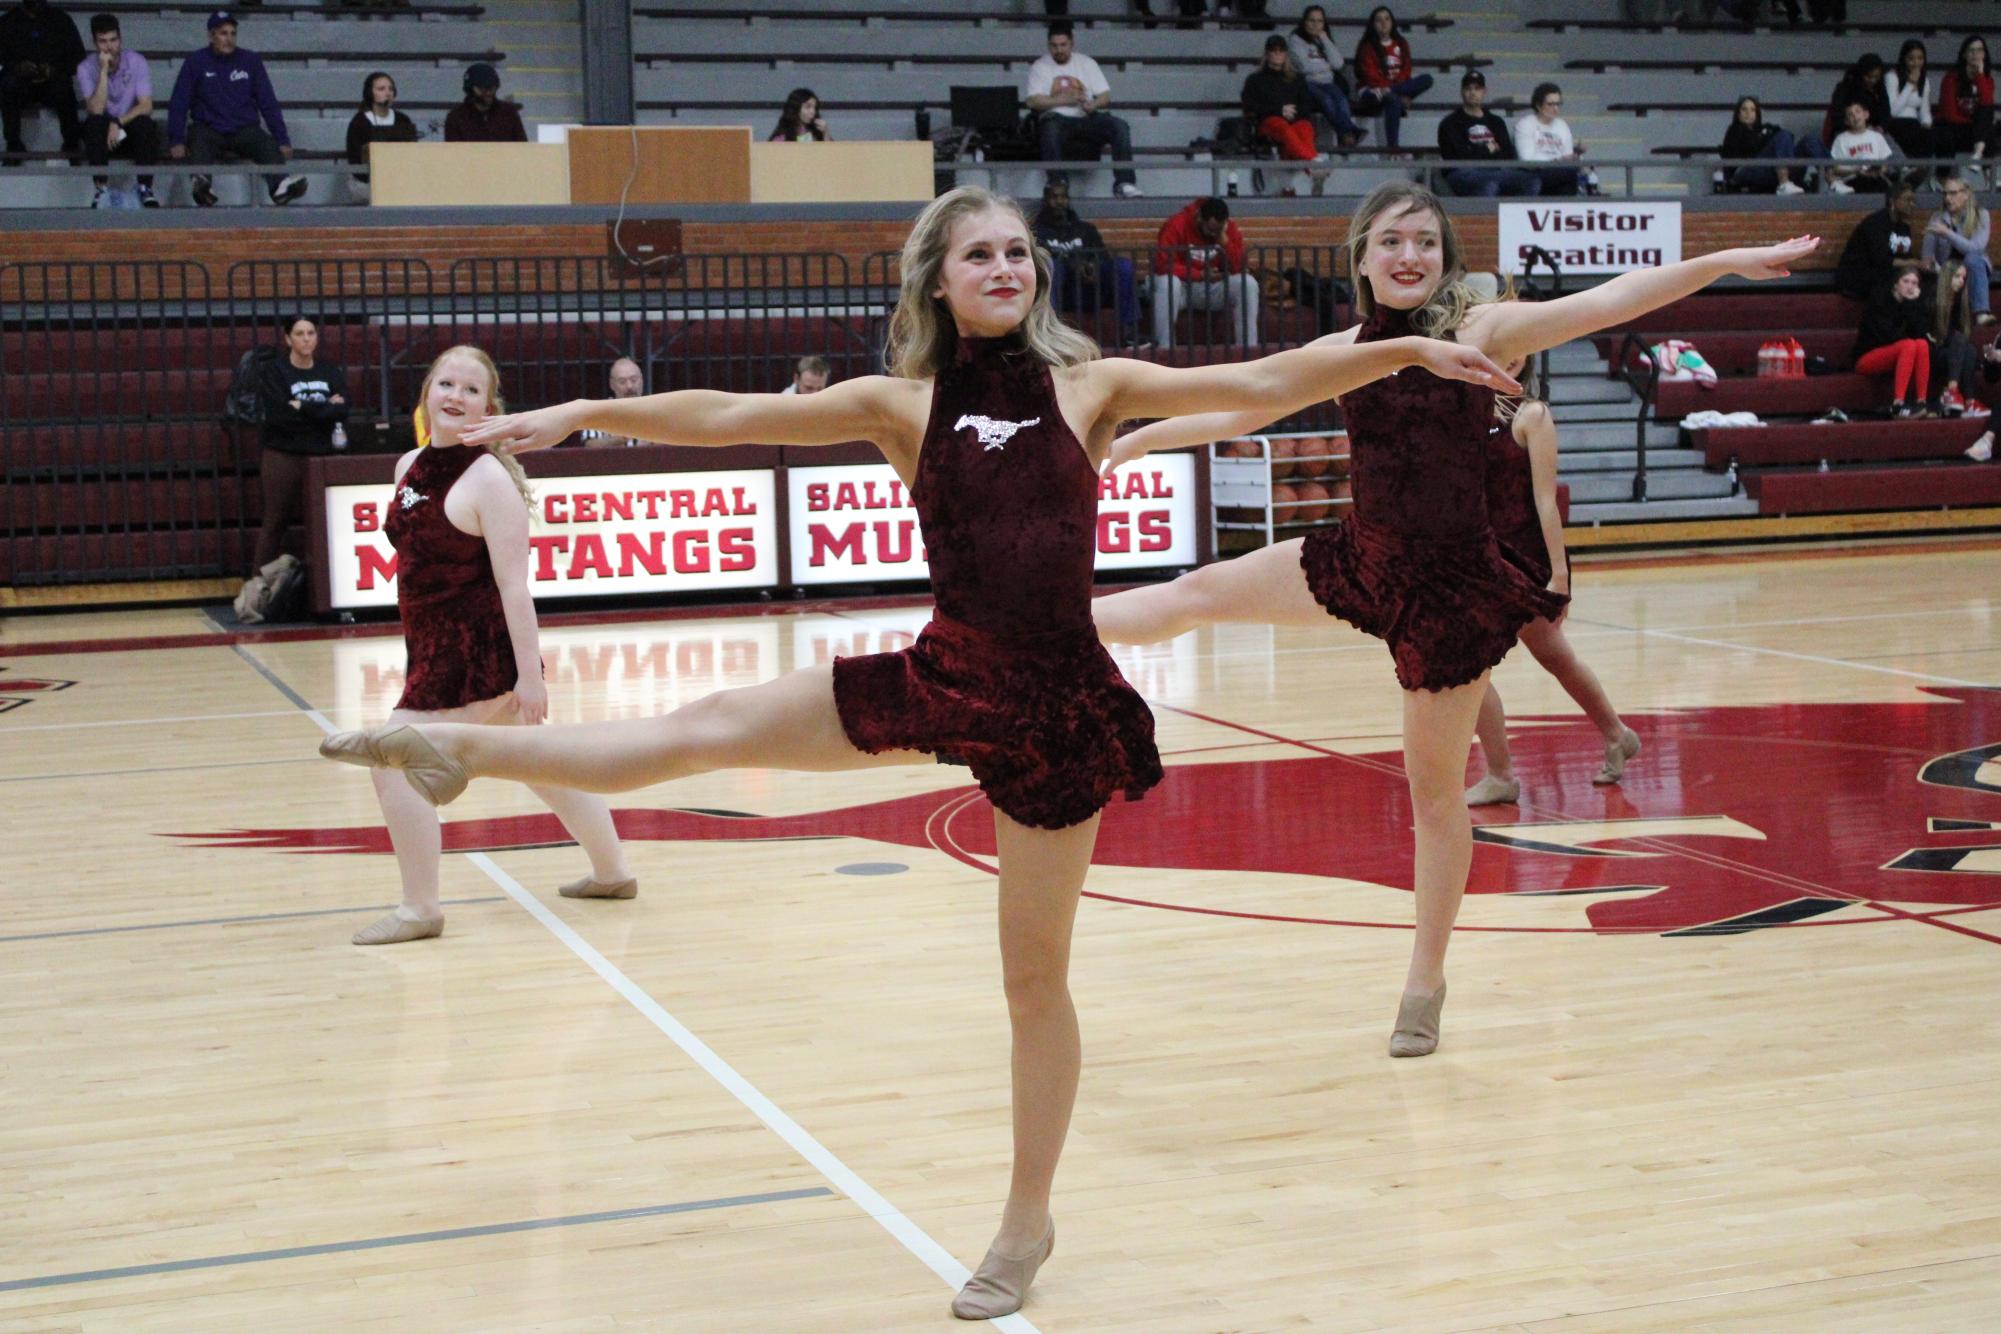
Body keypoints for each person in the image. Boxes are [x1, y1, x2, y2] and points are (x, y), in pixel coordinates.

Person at [319, 184, 1516, 1320]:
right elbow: (733, 420)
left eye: (1016, 252)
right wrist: (588, 411)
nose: (1005, 267)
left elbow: (1263, 372)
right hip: (946, 671)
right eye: (978, 254)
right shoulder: (907, 404)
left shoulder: (1089, 387)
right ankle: (456, 746)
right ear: (939, 283)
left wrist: (1404, 349)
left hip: (1052, 707)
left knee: (1031, 981)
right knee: (703, 727)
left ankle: (1026, 1217)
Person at [1089, 179, 1815, 1061]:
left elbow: (1613, 298)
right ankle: (1043, 631)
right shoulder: (1341, 347)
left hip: (1451, 593)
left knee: (1432, 798)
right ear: (1361, 256)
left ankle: (1423, 981)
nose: (1408, 256)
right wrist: (1135, 440)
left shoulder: (1483, 331)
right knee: (1191, 595)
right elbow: (1248, 404)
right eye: (1391, 241)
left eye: (1425, 243)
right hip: (1361, 559)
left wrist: (1726, 261)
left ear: (1444, 260)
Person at [346, 346, 638, 946]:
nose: (455, 396)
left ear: (489, 406)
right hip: (429, 648)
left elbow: (515, 586)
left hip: (475, 656)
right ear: (428, 391)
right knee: (544, 765)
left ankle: (419, 910)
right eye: (446, 383)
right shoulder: (408, 464)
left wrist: (529, 676)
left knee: (394, 764)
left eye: (471, 390)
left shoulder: (488, 478)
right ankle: (613, 873)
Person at [1464, 381, 1640, 806]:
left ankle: (1502, 774)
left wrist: (1559, 575)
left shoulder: (1532, 416)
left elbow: (1546, 501)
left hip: (1523, 561)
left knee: (1478, 665)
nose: (1508, 356)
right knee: (1523, 659)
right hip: (1479, 559)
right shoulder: (1464, 412)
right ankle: (1616, 734)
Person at [167, 11, 304, 207]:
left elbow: (268, 102)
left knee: (265, 143)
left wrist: (282, 139)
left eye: (233, 33)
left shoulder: (251, 61)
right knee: (198, 140)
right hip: (209, 129)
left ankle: (280, 187)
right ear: (211, 35)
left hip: (244, 129)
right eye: (223, 33)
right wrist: (176, 140)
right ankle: (202, 186)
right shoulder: (195, 61)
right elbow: (179, 102)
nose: (229, 39)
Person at [251, 315, 350, 573]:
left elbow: (343, 411)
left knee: (325, 520)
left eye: (310, 333)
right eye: (299, 333)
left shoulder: (329, 371)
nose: (306, 338)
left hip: (321, 455)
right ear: (287, 339)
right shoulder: (275, 372)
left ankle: (329, 581)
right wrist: (325, 408)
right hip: (283, 455)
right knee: (275, 521)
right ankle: (259, 587)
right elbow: (280, 417)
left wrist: (303, 406)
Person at [1024, 22, 1140, 197]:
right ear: (1049, 45)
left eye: (1063, 45)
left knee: (1119, 126)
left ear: (1071, 44)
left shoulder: (1086, 63)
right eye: (1054, 46)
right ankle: (1058, 183)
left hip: (1086, 116)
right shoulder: (1040, 66)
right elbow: (1033, 101)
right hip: (1057, 119)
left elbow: (1105, 95)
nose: (1059, 50)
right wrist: (1063, 100)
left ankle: (1124, 182)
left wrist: (1093, 104)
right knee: (1049, 128)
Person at [1033, 178, 1141, 340]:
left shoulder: (1086, 229)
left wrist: (1092, 267)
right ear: (1045, 201)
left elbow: (1103, 257)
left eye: (1063, 197)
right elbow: (1038, 264)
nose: (1059, 201)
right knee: (1051, 265)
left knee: (1122, 266)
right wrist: (1072, 265)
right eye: (1054, 197)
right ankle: (1049, 333)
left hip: (1091, 289)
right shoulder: (1037, 233)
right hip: (1062, 293)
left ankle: (1130, 332)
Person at [1151, 195, 1259, 350]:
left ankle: (1248, 350)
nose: (1212, 234)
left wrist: (1225, 241)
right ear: (1199, 217)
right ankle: (1165, 349)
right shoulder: (1177, 224)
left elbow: (1239, 268)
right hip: (1182, 288)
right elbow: (1163, 264)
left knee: (1248, 283)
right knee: (1168, 283)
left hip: (1211, 288)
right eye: (1210, 229)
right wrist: (1200, 275)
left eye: (1218, 230)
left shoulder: (1228, 230)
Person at [74, 14, 158, 208]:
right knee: (94, 123)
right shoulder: (85, 68)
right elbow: (96, 109)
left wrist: (118, 122)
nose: (109, 47)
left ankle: (145, 188)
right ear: (95, 43)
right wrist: (103, 71)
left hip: (125, 130)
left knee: (145, 123)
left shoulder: (137, 61)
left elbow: (146, 105)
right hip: (102, 135)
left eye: (113, 40)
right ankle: (101, 189)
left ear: (120, 39)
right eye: (103, 41)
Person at [1241, 35, 1328, 197]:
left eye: (1280, 51)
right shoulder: (1255, 80)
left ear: (1286, 54)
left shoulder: (1297, 79)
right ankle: (1314, 163)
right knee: (1282, 127)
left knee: (1305, 128)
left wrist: (1291, 114)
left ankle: (1313, 168)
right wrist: (1279, 110)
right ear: (1267, 54)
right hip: (1268, 122)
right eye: (1273, 51)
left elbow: (1305, 105)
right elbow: (1250, 106)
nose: (1277, 54)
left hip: (1293, 122)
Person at [0, 0, 82, 164]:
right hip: (21, 84)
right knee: (7, 84)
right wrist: (17, 67)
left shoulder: (61, 20)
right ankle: (13, 144)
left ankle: (72, 144)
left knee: (64, 87)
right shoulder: (8, 21)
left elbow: (78, 58)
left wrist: (54, 69)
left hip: (51, 83)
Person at [1438, 70, 1537, 198]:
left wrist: (1476, 151)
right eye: (1468, 88)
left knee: (1531, 181)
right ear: (1462, 92)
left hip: (1496, 170)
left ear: (1484, 91)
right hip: (1463, 173)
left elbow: (1508, 154)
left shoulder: (1496, 121)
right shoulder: (1450, 123)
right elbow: (1461, 158)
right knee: (1489, 184)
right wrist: (1489, 148)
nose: (1473, 93)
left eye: (1477, 88)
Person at [1853, 267, 1934, 417]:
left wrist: (1912, 305)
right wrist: (1908, 306)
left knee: (1921, 344)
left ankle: (1921, 401)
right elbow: (1889, 336)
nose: (1910, 287)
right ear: (1896, 284)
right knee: (1909, 344)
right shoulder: (1880, 301)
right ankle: (1898, 403)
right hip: (1868, 356)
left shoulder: (1912, 304)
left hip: (1899, 354)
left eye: (1914, 283)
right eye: (1906, 281)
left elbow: (1921, 333)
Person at [1351, 5, 1433, 151]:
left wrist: (1394, 89)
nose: (1384, 23)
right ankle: (1393, 149)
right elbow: (1371, 77)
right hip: (1372, 90)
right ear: (1373, 24)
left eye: (1387, 19)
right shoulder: (1367, 47)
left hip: (1395, 88)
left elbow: (1406, 69)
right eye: (1379, 20)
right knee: (1393, 99)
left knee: (1427, 79)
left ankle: (1396, 94)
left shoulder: (1401, 43)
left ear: (1392, 22)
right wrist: (1393, 91)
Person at [1287, 5, 1365, 148]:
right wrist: (1326, 67)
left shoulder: (1323, 39)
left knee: (1341, 100)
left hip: (1328, 83)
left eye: (1319, 21)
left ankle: (1345, 135)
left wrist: (1324, 38)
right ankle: (1349, 132)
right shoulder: (1295, 40)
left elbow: (1338, 63)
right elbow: (1304, 67)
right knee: (1326, 100)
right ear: (1304, 21)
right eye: (1311, 20)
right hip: (1307, 83)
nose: (1315, 25)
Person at [1922, 173, 1994, 327]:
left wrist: (1947, 234)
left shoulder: (1981, 215)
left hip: (1973, 269)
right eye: (1945, 193)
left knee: (1973, 259)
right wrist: (1934, 265)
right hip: (1946, 270)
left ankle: (1981, 313)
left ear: (1966, 194)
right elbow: (1926, 256)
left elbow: (1976, 249)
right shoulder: (1937, 217)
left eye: (1953, 193)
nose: (1948, 198)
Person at [1834, 178, 1920, 301]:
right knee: (1889, 285)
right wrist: (1913, 263)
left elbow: (1905, 257)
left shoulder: (1904, 228)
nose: (1912, 204)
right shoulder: (1875, 224)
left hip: (1885, 275)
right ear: (1893, 201)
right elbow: (1881, 260)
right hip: (1858, 276)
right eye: (1908, 200)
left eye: (1913, 200)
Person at [1718, 95, 1813, 195]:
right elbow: (1745, 152)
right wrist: (1763, 137)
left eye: (1752, 110)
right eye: (1744, 109)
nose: (1748, 113)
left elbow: (1788, 138)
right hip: (1745, 170)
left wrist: (1766, 135)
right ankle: (1784, 183)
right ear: (1738, 113)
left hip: (1767, 168)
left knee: (1809, 140)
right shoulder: (1734, 130)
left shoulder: (1765, 129)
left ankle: (1831, 179)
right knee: (1782, 137)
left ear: (1757, 113)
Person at [344, 70, 417, 196]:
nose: (388, 93)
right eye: (381, 89)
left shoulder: (403, 120)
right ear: (370, 93)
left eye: (390, 89)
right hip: (366, 182)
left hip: (400, 181)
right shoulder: (359, 122)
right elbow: (355, 159)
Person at [1926, 260, 1985, 417]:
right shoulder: (1931, 298)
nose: (1961, 281)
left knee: (1970, 349)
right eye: (1957, 276)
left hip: (1953, 356)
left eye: (1963, 277)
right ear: (1946, 276)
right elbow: (1930, 336)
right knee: (1959, 340)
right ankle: (1952, 391)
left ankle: (1969, 403)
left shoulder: (1962, 303)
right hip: (1932, 353)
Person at [1513, 81, 1589, 197]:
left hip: (1560, 171)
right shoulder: (1525, 124)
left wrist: (1576, 154)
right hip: (1534, 172)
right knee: (1568, 175)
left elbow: (1567, 156)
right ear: (1538, 105)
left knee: (1572, 172)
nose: (1556, 109)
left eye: (1558, 104)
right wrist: (1557, 160)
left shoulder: (1562, 125)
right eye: (1551, 104)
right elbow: (1527, 159)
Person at [1935, 36, 1995, 179]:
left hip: (1975, 132)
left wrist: (1979, 76)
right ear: (1964, 54)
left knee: (1988, 124)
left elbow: (1987, 103)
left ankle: (1989, 179)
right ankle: (1941, 178)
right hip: (1952, 127)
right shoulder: (1951, 78)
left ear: (1984, 54)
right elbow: (1949, 114)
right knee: (1983, 129)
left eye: (1980, 50)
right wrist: (1977, 127)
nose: (1975, 54)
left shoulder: (1987, 79)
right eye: (1971, 50)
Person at [1821, 52, 1891, 152]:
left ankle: (1903, 166)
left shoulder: (1880, 89)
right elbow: (1837, 116)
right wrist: (1856, 127)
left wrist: (1881, 128)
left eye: (1876, 77)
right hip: (1847, 130)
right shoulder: (1845, 88)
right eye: (1869, 77)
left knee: (1887, 142)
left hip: (1874, 132)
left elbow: (1886, 114)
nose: (1872, 80)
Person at [1827, 99, 1898, 194]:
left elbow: (1884, 165)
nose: (1855, 116)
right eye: (1850, 114)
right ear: (1846, 121)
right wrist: (1856, 171)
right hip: (1853, 181)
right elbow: (1836, 168)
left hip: (1876, 178)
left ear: (1866, 115)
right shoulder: (1841, 139)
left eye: (1857, 112)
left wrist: (1876, 171)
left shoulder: (1877, 137)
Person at [443, 61, 525, 143]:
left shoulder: (509, 113)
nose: (488, 93)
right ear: (470, 89)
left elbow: (523, 148)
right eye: (483, 89)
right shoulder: (456, 117)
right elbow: (453, 153)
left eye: (492, 88)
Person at [1884, 40, 1936, 169]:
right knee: (1911, 131)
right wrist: (1910, 85)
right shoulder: (1892, 76)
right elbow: (1893, 111)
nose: (1916, 63)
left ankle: (1920, 169)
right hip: (1895, 122)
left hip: (1913, 123)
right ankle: (1909, 168)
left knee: (1933, 135)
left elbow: (1925, 111)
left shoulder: (1925, 81)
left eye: (1920, 58)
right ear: (1904, 59)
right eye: (1911, 58)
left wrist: (1927, 125)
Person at [579, 356, 646, 444]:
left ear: (642, 380)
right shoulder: (597, 413)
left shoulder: (657, 410)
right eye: (622, 382)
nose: (629, 386)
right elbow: (590, 446)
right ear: (612, 384)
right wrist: (616, 440)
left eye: (634, 380)